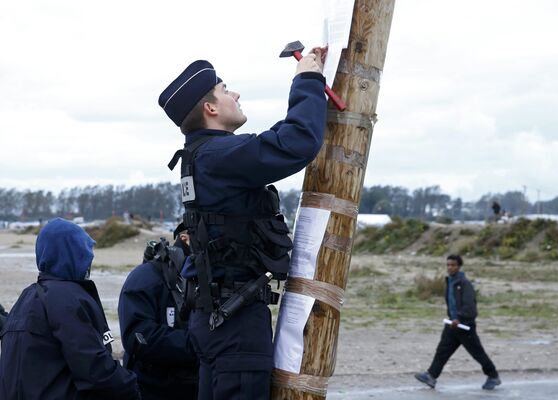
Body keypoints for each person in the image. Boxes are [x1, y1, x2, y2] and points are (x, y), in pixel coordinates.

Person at [158, 49, 327, 400]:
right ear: (211, 108)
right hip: (234, 323)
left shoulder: (204, 155)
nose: (235, 95)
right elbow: (295, 142)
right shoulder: (219, 156)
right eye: (225, 90)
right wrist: (307, 79)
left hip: (217, 317)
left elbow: (273, 140)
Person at [0, 218, 139, 399]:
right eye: (86, 255)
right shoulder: (67, 298)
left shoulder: (27, 296)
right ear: (75, 254)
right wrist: (131, 386)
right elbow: (95, 369)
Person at [118, 231, 198, 400]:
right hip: (153, 389)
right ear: (184, 238)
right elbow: (137, 336)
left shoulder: (209, 279)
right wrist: (197, 344)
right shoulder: (145, 277)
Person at [414, 254, 501, 391]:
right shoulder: (450, 282)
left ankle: (493, 376)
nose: (450, 267)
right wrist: (452, 319)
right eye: (448, 265)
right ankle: (431, 376)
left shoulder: (465, 284)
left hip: (465, 326)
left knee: (477, 353)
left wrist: (459, 318)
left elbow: (470, 306)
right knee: (442, 351)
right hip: (451, 324)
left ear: (459, 266)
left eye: (453, 265)